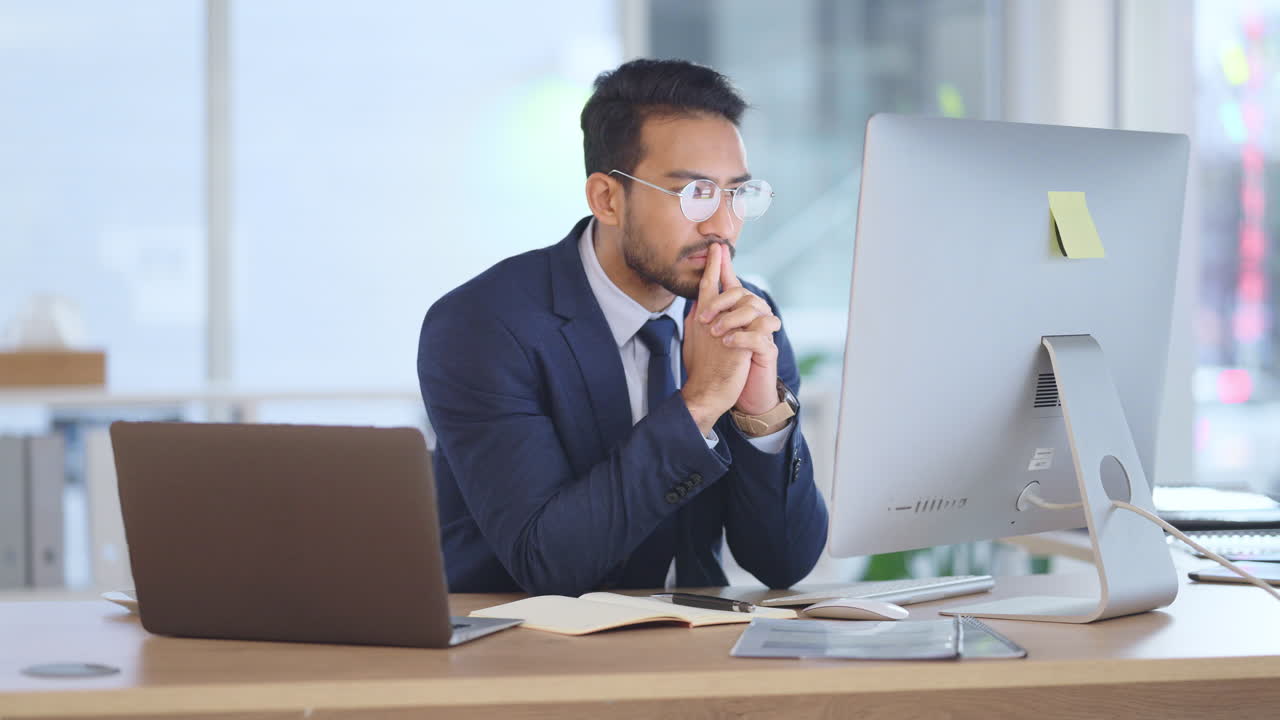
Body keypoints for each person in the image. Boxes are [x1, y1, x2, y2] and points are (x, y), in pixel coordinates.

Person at [418, 58, 827, 595]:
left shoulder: (745, 316)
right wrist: (699, 404)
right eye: (696, 194)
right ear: (607, 199)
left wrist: (761, 415)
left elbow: (784, 562)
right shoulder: (484, 327)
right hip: (524, 636)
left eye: (736, 194)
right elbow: (548, 564)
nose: (723, 225)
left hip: (699, 635)